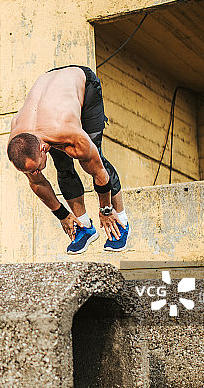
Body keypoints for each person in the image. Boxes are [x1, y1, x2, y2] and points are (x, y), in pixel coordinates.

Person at [7, 65, 129, 253]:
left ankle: (120, 220)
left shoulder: (69, 134)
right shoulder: (19, 142)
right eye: (30, 171)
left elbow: (100, 174)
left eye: (36, 168)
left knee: (96, 157)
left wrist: (106, 210)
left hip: (82, 83)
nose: (36, 173)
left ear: (41, 149)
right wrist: (63, 216)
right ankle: (84, 227)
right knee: (63, 167)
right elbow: (37, 183)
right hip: (48, 87)